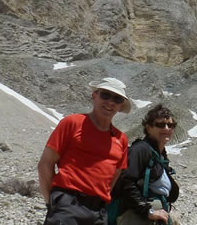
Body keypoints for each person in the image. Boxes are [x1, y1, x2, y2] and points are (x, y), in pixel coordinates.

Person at [38, 77, 132, 225]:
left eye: (117, 99)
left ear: (121, 106)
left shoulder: (121, 139)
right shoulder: (72, 123)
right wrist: (52, 203)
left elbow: (115, 176)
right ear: (94, 96)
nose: (110, 102)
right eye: (105, 95)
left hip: (98, 212)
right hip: (67, 204)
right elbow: (45, 164)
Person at [112, 104, 181, 225]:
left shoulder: (159, 155)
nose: (166, 128)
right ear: (148, 128)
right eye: (160, 125)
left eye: (170, 125)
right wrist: (147, 210)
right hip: (137, 216)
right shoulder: (140, 149)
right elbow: (126, 181)